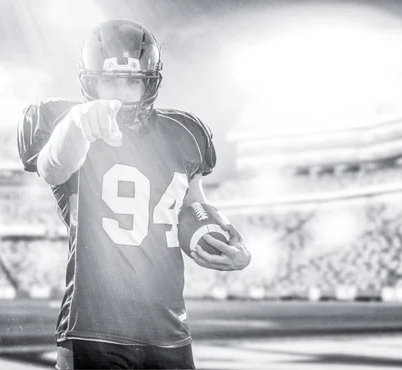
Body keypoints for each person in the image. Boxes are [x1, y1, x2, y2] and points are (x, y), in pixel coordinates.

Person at [17, 19, 251, 370]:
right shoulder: (66, 124)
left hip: (170, 329)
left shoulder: (185, 133)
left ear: (150, 82)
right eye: (108, 80)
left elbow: (192, 206)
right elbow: (54, 167)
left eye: (131, 81)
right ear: (90, 81)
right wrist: (78, 125)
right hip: (93, 330)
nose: (119, 93)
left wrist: (230, 245)